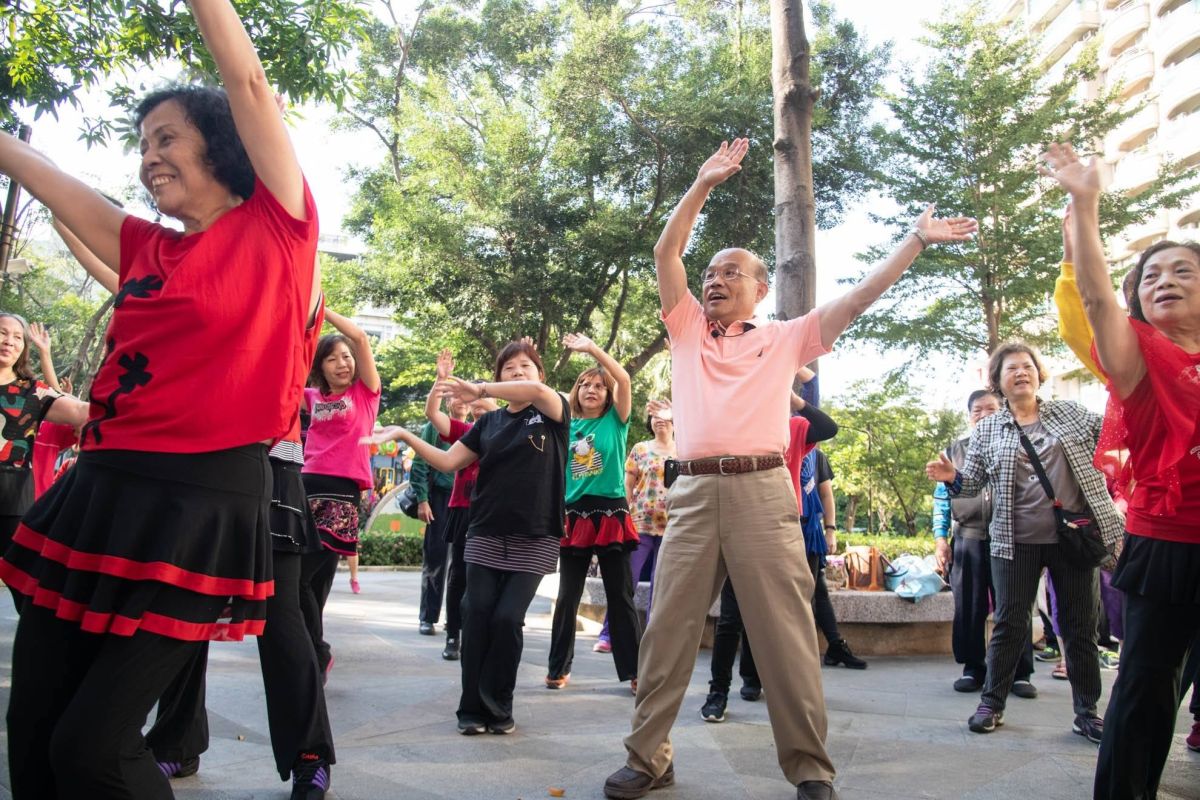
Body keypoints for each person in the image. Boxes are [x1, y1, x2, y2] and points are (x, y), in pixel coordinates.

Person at [0, 0, 321, 793]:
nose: (150, 157)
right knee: (32, 729)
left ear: (222, 144)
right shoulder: (145, 246)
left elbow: (246, 79)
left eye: (167, 137)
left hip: (198, 507)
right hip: (99, 492)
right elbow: (47, 180)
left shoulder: (279, 227)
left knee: (92, 747)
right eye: (143, 145)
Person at [603, 138, 977, 800]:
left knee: (786, 636)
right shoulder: (687, 329)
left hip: (761, 492)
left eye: (730, 273)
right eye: (710, 272)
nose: (714, 280)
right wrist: (701, 184)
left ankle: (809, 768)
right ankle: (648, 756)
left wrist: (914, 241)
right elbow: (666, 253)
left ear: (760, 288)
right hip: (689, 492)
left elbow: (858, 299)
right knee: (666, 631)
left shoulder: (785, 338)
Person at [1040, 141, 1200, 798]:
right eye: (1152, 274)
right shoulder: (1141, 358)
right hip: (1172, 548)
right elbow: (1100, 302)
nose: (1164, 279)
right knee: (1143, 700)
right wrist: (1085, 204)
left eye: (1184, 271)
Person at [364, 339, 569, 736]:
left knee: (508, 617)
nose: (517, 373)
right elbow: (447, 460)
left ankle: (499, 705)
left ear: (539, 374)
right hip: (485, 532)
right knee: (475, 612)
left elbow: (539, 394)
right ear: (499, 376)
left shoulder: (552, 412)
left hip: (535, 534)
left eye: (525, 367)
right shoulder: (488, 425)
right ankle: (471, 708)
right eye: (508, 368)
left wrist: (480, 390)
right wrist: (406, 436)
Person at [926, 342, 1123, 744]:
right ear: (998, 380)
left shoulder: (1070, 413)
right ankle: (992, 703)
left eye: (1027, 366)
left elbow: (1116, 431)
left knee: (1079, 627)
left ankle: (1087, 711)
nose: (1021, 372)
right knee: (1010, 624)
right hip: (1013, 542)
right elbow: (973, 484)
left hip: (1072, 539)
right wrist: (951, 478)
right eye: (1011, 367)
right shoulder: (988, 429)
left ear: (1039, 373)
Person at [701, 382, 844, 725]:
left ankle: (772, 687)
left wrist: (791, 398)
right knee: (731, 619)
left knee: (778, 614)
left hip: (779, 529)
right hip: (735, 526)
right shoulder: (731, 430)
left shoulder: (792, 428)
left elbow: (828, 428)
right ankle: (717, 692)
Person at [547, 332, 639, 692]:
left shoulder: (616, 420)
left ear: (607, 394)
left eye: (599, 386)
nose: (591, 389)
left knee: (621, 595)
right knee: (568, 595)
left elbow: (625, 379)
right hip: (573, 516)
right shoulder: (565, 425)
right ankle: (558, 668)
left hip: (611, 514)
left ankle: (635, 671)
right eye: (584, 384)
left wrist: (592, 350)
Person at [932, 389, 1037, 696]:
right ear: (969, 416)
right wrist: (941, 539)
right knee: (969, 607)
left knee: (1014, 606)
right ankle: (973, 668)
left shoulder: (1019, 444)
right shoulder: (956, 450)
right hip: (969, 536)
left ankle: (1020, 672)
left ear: (1003, 412)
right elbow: (941, 498)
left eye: (990, 408)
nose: (983, 414)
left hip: (1012, 536)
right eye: (977, 410)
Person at [300, 309, 382, 677]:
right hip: (303, 490)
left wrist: (321, 309)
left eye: (346, 356)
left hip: (341, 495)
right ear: (321, 366)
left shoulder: (366, 394)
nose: (342, 363)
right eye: (332, 358)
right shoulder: (310, 397)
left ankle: (315, 651)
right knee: (307, 583)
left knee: (306, 579)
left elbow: (362, 339)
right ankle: (313, 653)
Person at [0, 314, 88, 610]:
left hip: (12, 497)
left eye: (16, 337)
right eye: (2, 333)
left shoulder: (32, 392)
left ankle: (42, 647)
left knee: (27, 585)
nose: (8, 341)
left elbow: (79, 412)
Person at [421, 348, 497, 661]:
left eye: (485, 410)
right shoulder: (467, 433)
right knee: (459, 576)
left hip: (495, 513)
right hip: (463, 510)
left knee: (489, 578)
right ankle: (453, 635)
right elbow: (433, 416)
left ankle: (483, 635)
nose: (479, 415)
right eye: (474, 411)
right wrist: (440, 382)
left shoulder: (511, 430)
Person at [595, 400, 676, 654]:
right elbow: (627, 486)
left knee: (660, 587)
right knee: (624, 581)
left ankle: (653, 640)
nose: (659, 420)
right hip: (639, 524)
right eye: (654, 416)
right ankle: (609, 634)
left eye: (665, 415)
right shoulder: (641, 449)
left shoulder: (685, 451)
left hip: (673, 528)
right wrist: (623, 516)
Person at [411, 360, 463, 635]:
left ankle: (456, 618)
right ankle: (428, 616)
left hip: (469, 502)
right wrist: (422, 499)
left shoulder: (480, 425)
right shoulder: (436, 427)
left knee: (464, 563)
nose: (461, 402)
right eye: (454, 396)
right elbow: (419, 464)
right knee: (436, 559)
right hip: (440, 499)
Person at [801, 447, 866, 670]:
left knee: (817, 591)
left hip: (809, 534)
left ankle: (835, 645)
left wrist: (830, 529)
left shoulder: (815, 456)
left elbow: (826, 493)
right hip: (781, 531)